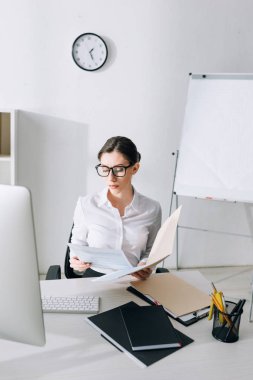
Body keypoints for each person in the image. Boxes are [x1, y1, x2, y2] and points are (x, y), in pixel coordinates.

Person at [69, 136, 161, 279]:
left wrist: (145, 264)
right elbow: (77, 245)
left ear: (135, 168)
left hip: (134, 279)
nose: (110, 178)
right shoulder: (86, 204)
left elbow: (152, 249)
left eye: (118, 169)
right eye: (105, 169)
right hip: (95, 278)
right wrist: (76, 260)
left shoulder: (152, 209)